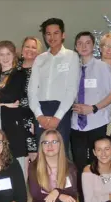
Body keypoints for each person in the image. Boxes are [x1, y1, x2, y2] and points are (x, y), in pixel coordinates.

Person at [70, 32, 111, 200]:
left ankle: (101, 200)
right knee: (79, 164)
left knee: (98, 164)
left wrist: (94, 108)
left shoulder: (102, 67)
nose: (84, 46)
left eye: (87, 43)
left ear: (93, 46)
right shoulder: (72, 68)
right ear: (75, 47)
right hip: (76, 125)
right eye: (80, 43)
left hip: (96, 123)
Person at [28, 18, 81, 149]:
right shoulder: (40, 59)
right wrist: (39, 115)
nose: (52, 37)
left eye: (56, 33)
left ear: (63, 35)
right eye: (48, 34)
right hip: (41, 110)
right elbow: (32, 90)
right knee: (43, 153)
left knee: (60, 154)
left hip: (61, 110)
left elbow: (71, 90)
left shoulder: (72, 56)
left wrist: (57, 117)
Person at [18, 37, 45, 166]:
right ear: (22, 49)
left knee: (35, 159)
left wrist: (36, 119)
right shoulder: (14, 68)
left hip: (33, 119)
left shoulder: (42, 71)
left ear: (39, 51)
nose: (30, 50)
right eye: (27, 46)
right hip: (15, 119)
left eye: (34, 47)